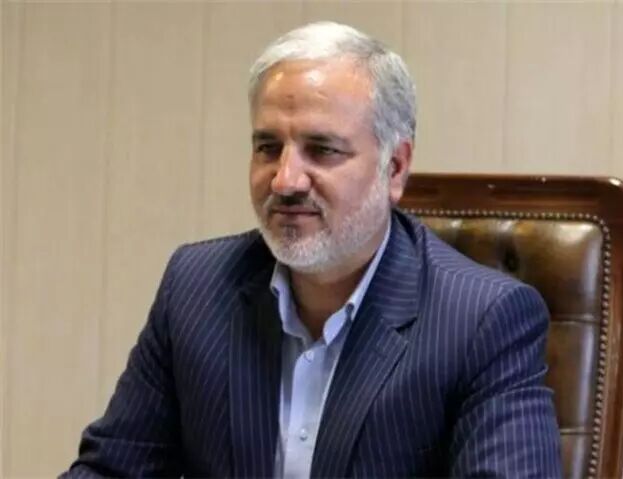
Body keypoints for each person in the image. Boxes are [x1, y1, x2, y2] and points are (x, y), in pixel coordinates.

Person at [63, 21, 562, 477]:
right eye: (268, 148)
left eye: (322, 150)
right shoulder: (196, 287)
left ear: (395, 168)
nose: (285, 180)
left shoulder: (482, 322)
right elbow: (112, 470)